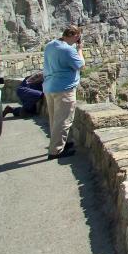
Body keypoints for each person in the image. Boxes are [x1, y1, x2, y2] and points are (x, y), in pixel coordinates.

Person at [42, 25, 84, 160]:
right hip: (64, 89)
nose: (78, 39)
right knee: (64, 120)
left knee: (55, 119)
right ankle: (56, 151)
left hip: (50, 87)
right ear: (75, 36)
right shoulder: (68, 50)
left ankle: (63, 144)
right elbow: (81, 65)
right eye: (78, 36)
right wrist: (80, 50)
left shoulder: (50, 45)